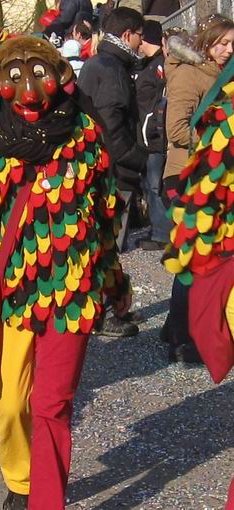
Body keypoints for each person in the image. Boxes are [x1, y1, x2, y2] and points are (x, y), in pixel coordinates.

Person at [0, 36, 130, 510]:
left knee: (53, 404)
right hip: (12, 287)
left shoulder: (85, 134)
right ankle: (21, 478)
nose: (31, 92)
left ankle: (45, 501)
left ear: (61, 78)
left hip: (71, 290)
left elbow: (103, 218)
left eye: (40, 77)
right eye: (15, 80)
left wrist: (115, 281)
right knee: (13, 403)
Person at [161, 13, 234, 363]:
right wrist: (219, 140)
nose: (228, 50)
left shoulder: (226, 76)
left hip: (218, 177)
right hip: (187, 176)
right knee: (191, 253)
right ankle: (181, 336)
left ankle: (184, 326)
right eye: (222, 43)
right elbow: (176, 129)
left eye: (232, 44)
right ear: (205, 43)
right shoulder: (189, 74)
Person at [78, 6, 147, 337]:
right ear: (126, 35)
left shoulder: (99, 63)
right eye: (139, 36)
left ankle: (105, 308)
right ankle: (104, 314)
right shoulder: (112, 68)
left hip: (97, 168)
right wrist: (138, 159)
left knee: (101, 242)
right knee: (107, 244)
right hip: (112, 173)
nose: (140, 43)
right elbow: (113, 125)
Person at [135, 19, 171, 251]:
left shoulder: (158, 66)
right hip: (149, 135)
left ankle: (163, 233)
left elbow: (157, 103)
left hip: (153, 137)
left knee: (155, 186)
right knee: (151, 185)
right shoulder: (150, 64)